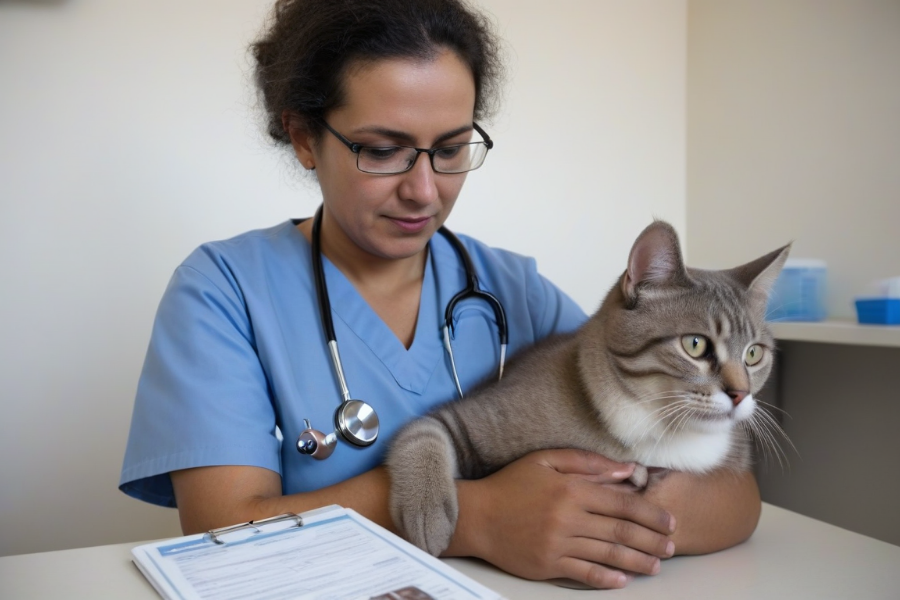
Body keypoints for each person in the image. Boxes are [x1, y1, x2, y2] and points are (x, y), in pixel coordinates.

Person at [120, 0, 761, 589]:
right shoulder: (224, 292)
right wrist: (476, 517)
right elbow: (220, 533)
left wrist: (629, 514)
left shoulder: (515, 292)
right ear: (303, 136)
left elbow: (736, 500)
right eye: (382, 150)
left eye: (451, 149)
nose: (425, 191)